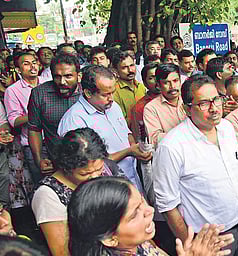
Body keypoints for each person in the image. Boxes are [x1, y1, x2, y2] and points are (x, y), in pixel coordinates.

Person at [152, 75, 238, 256]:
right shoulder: (172, 146)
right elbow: (168, 205)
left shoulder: (226, 129)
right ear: (187, 109)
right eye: (204, 103)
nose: (214, 108)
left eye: (216, 99)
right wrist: (193, 246)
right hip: (208, 243)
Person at [68, 176, 234, 256]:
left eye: (142, 202)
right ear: (110, 238)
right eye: (134, 215)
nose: (150, 211)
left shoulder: (137, 244)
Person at [31, 127, 125, 256]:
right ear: (66, 167)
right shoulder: (47, 194)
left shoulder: (105, 170)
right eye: (85, 174)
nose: (95, 177)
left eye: (99, 169)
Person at [58, 65, 151, 191]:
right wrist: (129, 151)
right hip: (106, 188)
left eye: (113, 92)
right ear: (88, 93)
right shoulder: (74, 120)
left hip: (132, 177)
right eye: (105, 94)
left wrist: (135, 147)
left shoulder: (113, 107)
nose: (111, 98)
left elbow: (126, 134)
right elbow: (86, 164)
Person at [27, 53, 82, 181]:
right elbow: (34, 129)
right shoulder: (39, 94)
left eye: (68, 76)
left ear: (78, 75)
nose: (62, 82)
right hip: (57, 164)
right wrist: (39, 159)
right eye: (57, 77)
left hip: (90, 162)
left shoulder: (88, 92)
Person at [4, 52, 46, 183]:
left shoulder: (48, 83)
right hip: (33, 145)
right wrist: (36, 113)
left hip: (55, 140)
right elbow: (13, 121)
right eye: (26, 64)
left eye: (34, 62)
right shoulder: (13, 90)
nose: (32, 66)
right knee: (42, 183)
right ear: (18, 70)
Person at [143, 63, 187, 147]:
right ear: (159, 85)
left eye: (175, 81)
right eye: (166, 83)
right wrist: (185, 135)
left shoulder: (189, 99)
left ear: (180, 81)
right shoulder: (151, 108)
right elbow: (155, 139)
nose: (172, 86)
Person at [112, 51, 146, 126]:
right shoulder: (114, 91)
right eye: (124, 67)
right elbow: (120, 122)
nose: (130, 70)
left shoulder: (141, 87)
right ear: (116, 71)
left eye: (132, 65)